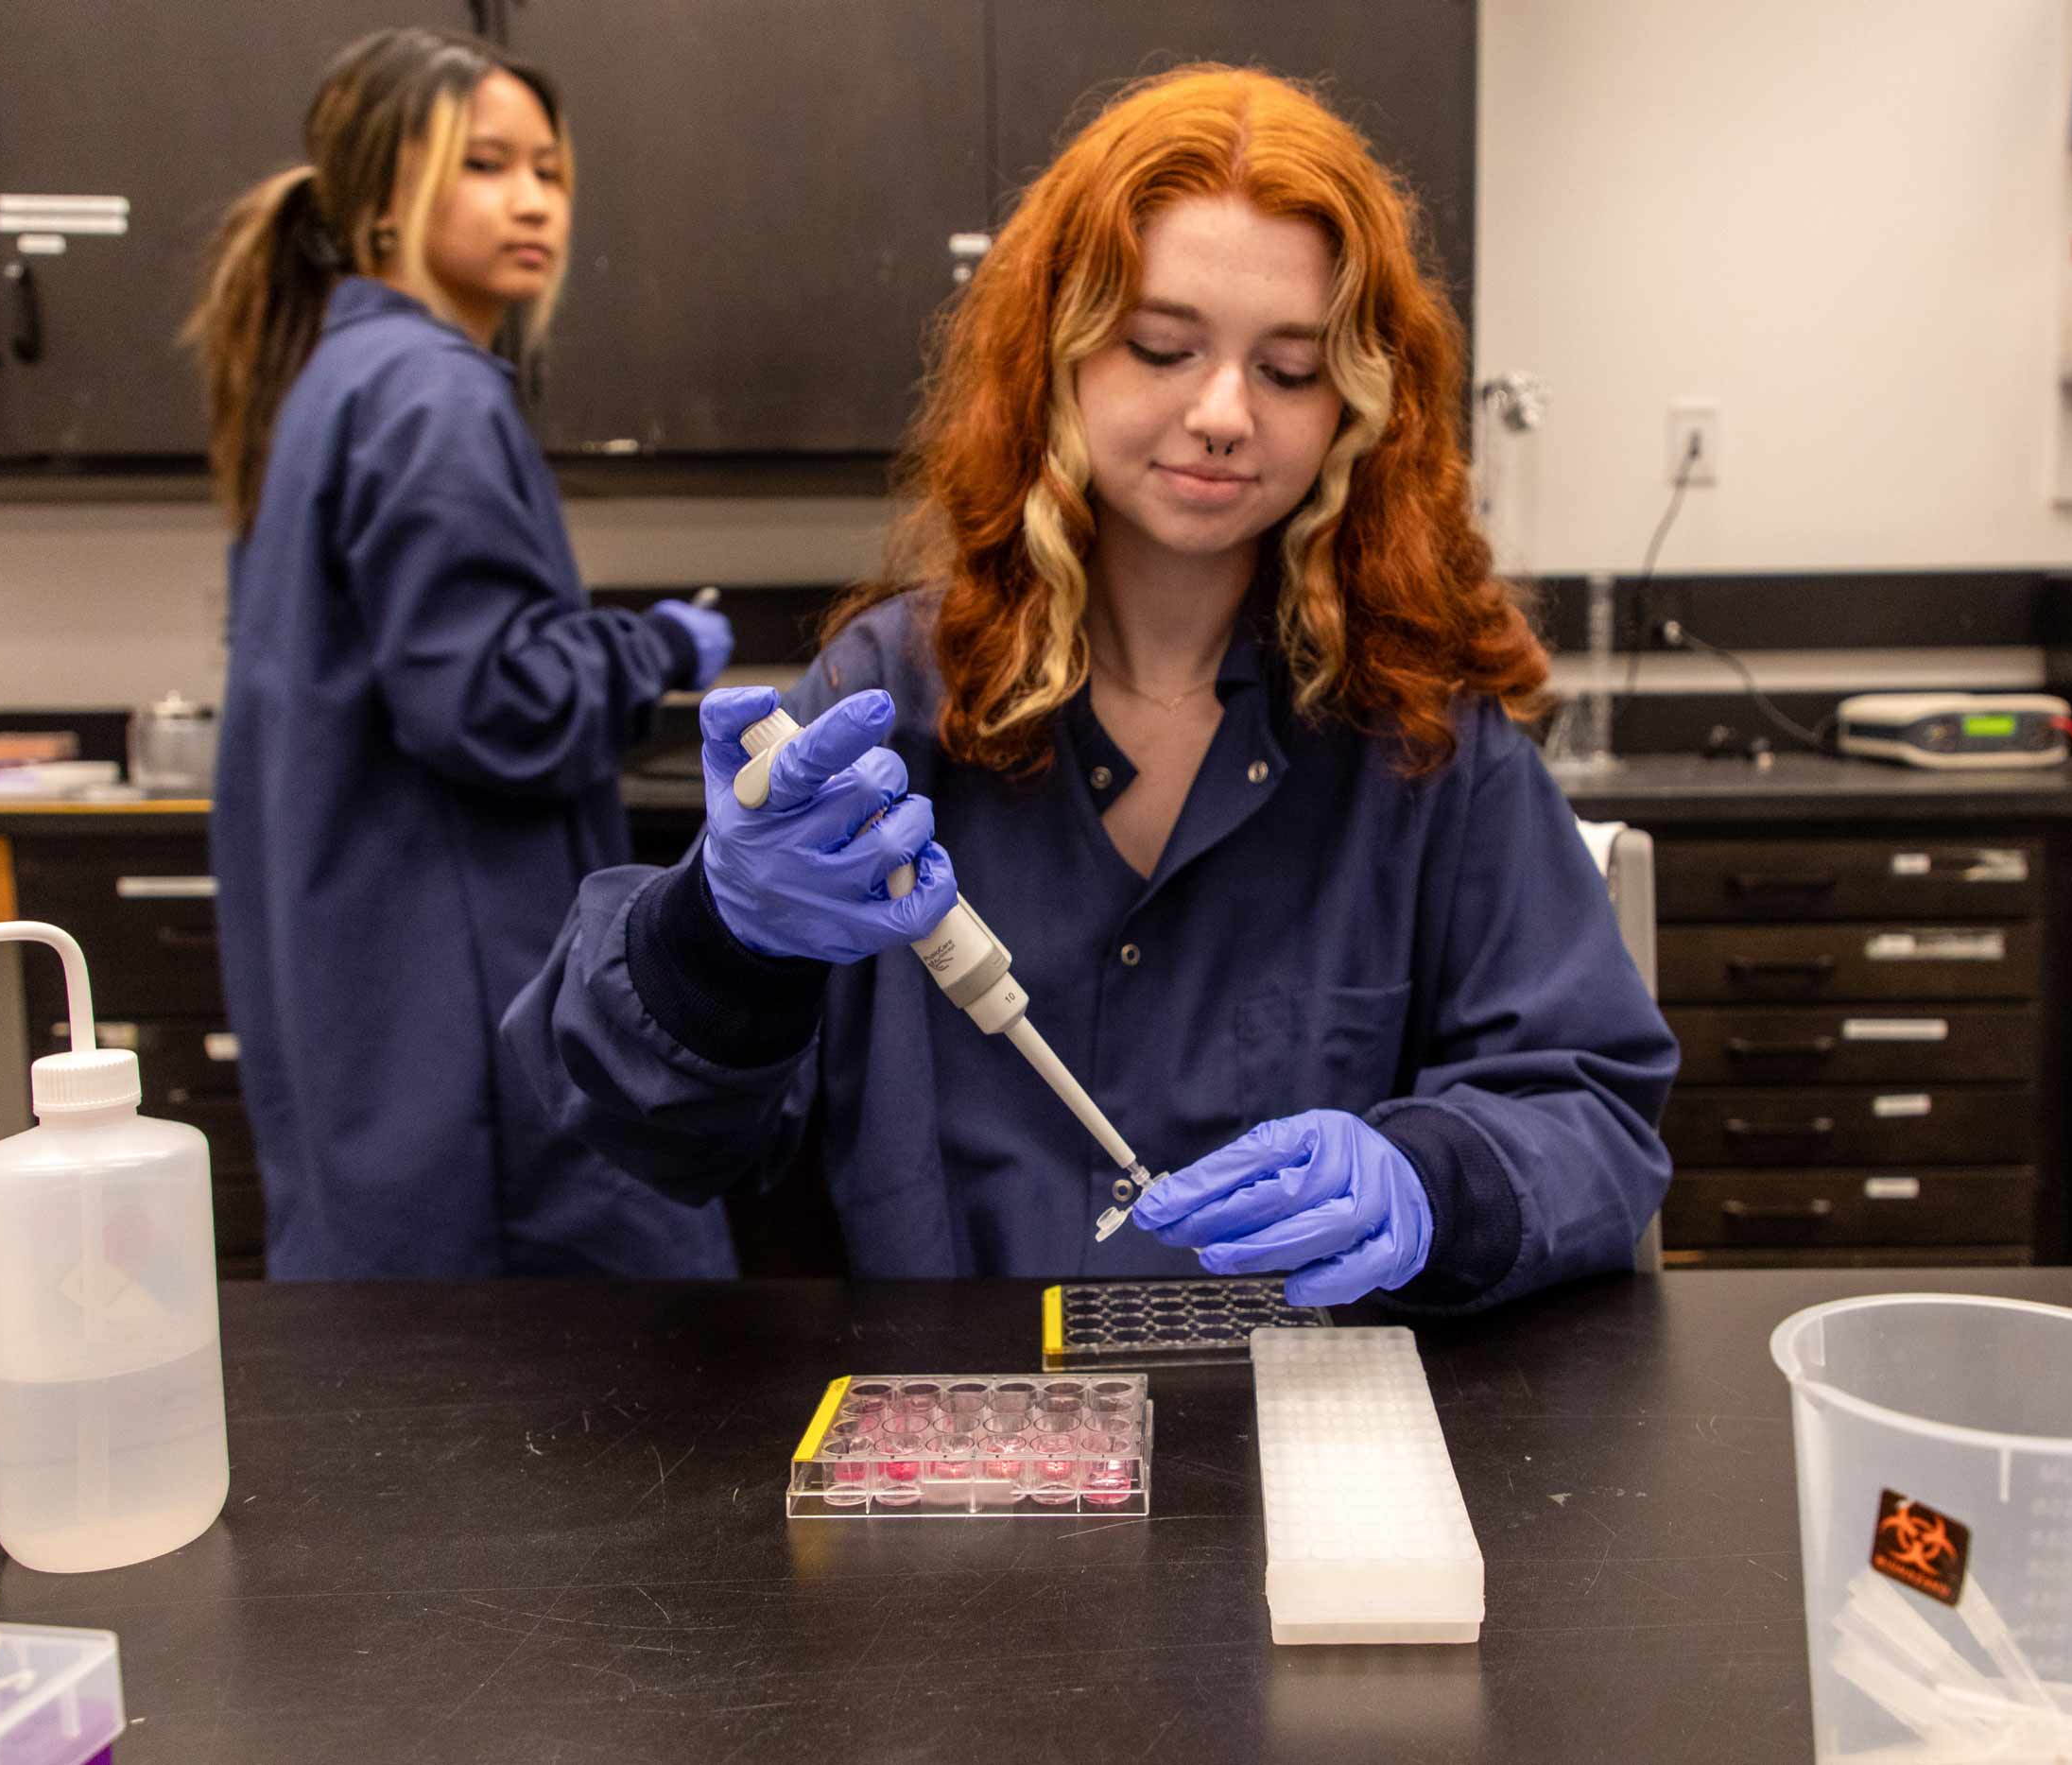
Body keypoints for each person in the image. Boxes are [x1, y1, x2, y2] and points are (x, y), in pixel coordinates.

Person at [506, 65, 1677, 1312]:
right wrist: (723, 942)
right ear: (1052, 351)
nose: (1223, 413)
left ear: (1357, 403)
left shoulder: (1421, 731)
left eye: (1288, 370)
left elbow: (1596, 1111)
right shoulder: (889, 701)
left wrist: (1434, 1180)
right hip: (964, 1450)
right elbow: (649, 1138)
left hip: (1317, 1449)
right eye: (1162, 347)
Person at [183, 28, 735, 1280]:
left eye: (548, 168)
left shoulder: (334, 379)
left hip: (369, 995)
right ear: (383, 197)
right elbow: (493, 703)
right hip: (465, 996)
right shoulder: (433, 395)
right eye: (486, 165)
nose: (534, 198)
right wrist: (652, 647)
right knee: (569, 1367)